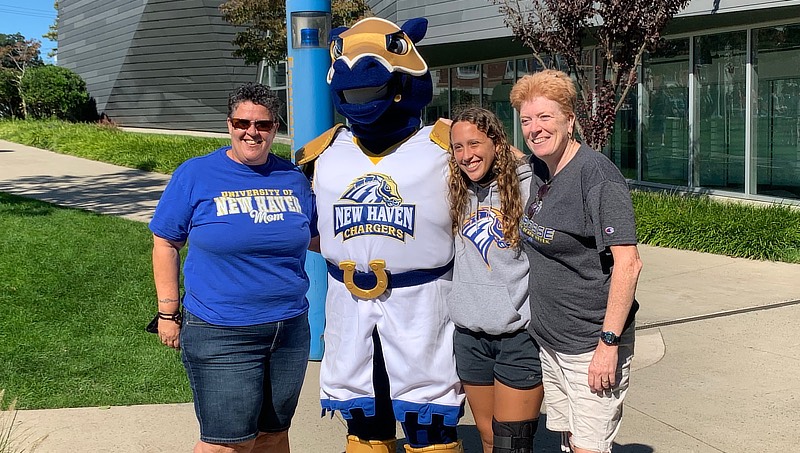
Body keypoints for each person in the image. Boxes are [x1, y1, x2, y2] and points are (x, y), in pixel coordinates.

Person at [296, 17, 465, 453]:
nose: (363, 98)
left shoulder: (447, 145)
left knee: (428, 416)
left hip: (422, 304)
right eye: (353, 91)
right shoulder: (326, 151)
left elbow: (511, 179)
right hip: (349, 303)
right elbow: (310, 225)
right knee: (363, 415)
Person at [149, 82, 319, 453]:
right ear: (229, 124)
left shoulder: (292, 179)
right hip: (221, 330)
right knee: (226, 443)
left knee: (273, 435)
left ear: (276, 128)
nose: (251, 132)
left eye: (263, 124)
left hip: (288, 329)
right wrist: (168, 312)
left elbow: (316, 238)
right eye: (242, 122)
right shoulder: (196, 174)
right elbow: (166, 243)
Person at [510, 70, 643, 453]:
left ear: (570, 120)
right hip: (551, 341)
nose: (535, 129)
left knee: (589, 446)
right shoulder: (541, 170)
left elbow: (629, 263)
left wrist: (608, 344)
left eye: (545, 117)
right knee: (571, 442)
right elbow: (502, 151)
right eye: (526, 120)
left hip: (590, 344)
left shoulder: (596, 175)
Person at [446, 107, 543, 453]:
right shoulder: (455, 189)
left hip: (519, 336)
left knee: (512, 444)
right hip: (471, 337)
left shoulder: (529, 183)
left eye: (475, 143)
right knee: (488, 439)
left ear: (497, 144)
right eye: (457, 147)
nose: (466, 155)